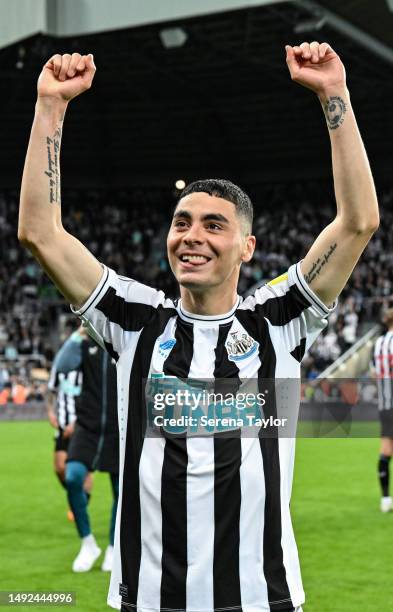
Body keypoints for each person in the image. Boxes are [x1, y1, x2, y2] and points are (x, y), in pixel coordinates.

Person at [18, 42, 379, 611]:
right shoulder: (133, 320)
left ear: (247, 248)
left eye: (215, 225)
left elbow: (358, 221)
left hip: (263, 598)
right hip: (153, 599)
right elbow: (41, 232)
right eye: (182, 222)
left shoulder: (278, 320)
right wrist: (49, 108)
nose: (193, 236)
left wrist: (335, 94)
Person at [53, 325, 119, 572]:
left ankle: (114, 547)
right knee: (72, 477)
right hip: (87, 426)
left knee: (120, 491)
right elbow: (62, 366)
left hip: (119, 428)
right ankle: (88, 543)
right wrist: (78, 334)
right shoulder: (85, 343)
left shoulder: (126, 341)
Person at [47, 332, 92, 521]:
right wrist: (50, 412)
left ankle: (79, 505)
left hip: (81, 425)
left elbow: (91, 398)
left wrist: (77, 422)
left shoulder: (87, 367)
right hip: (62, 426)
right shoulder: (61, 366)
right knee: (59, 468)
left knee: (83, 470)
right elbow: (51, 391)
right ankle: (78, 498)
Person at [373, 308, 393, 512]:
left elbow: (373, 372)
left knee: (386, 451)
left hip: (385, 405)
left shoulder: (378, 344)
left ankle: (386, 499)